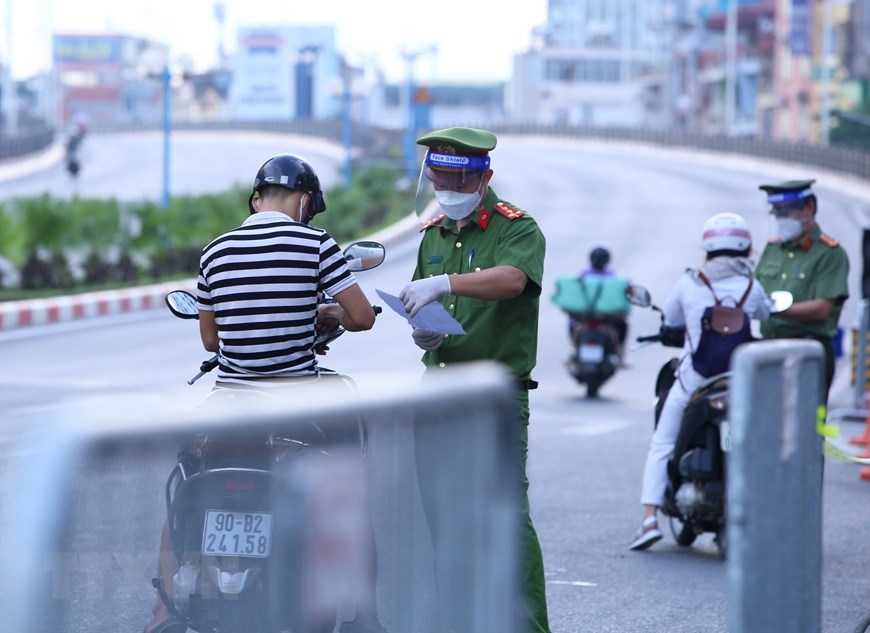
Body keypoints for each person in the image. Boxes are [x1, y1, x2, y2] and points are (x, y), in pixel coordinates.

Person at [145, 154, 383, 633]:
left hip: (229, 404)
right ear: (305, 201)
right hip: (296, 402)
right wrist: (327, 315)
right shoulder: (316, 243)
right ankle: (362, 614)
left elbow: (211, 341)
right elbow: (362, 318)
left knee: (185, 484)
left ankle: (162, 613)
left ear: (256, 201)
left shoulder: (214, 251)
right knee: (346, 490)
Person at [398, 127, 552, 633]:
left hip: (494, 397)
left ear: (484, 178)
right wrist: (425, 333)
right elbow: (424, 305)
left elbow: (512, 279)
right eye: (439, 179)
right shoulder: (433, 234)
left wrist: (445, 282)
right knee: (441, 519)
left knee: (507, 519)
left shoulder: (517, 228)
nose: (446, 189)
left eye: (457, 181)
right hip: (439, 393)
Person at [629, 212, 772, 551]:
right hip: (738, 383)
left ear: (708, 249)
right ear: (746, 248)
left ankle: (649, 520)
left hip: (694, 381)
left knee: (663, 443)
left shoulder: (690, 283)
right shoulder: (752, 287)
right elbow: (765, 314)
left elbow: (672, 317)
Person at [754, 179, 849, 397]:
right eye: (777, 212)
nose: (781, 218)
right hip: (769, 349)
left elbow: (822, 308)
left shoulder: (830, 253)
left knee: (806, 417)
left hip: (807, 352)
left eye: (786, 211)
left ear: (809, 207)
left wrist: (773, 309)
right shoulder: (773, 248)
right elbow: (754, 290)